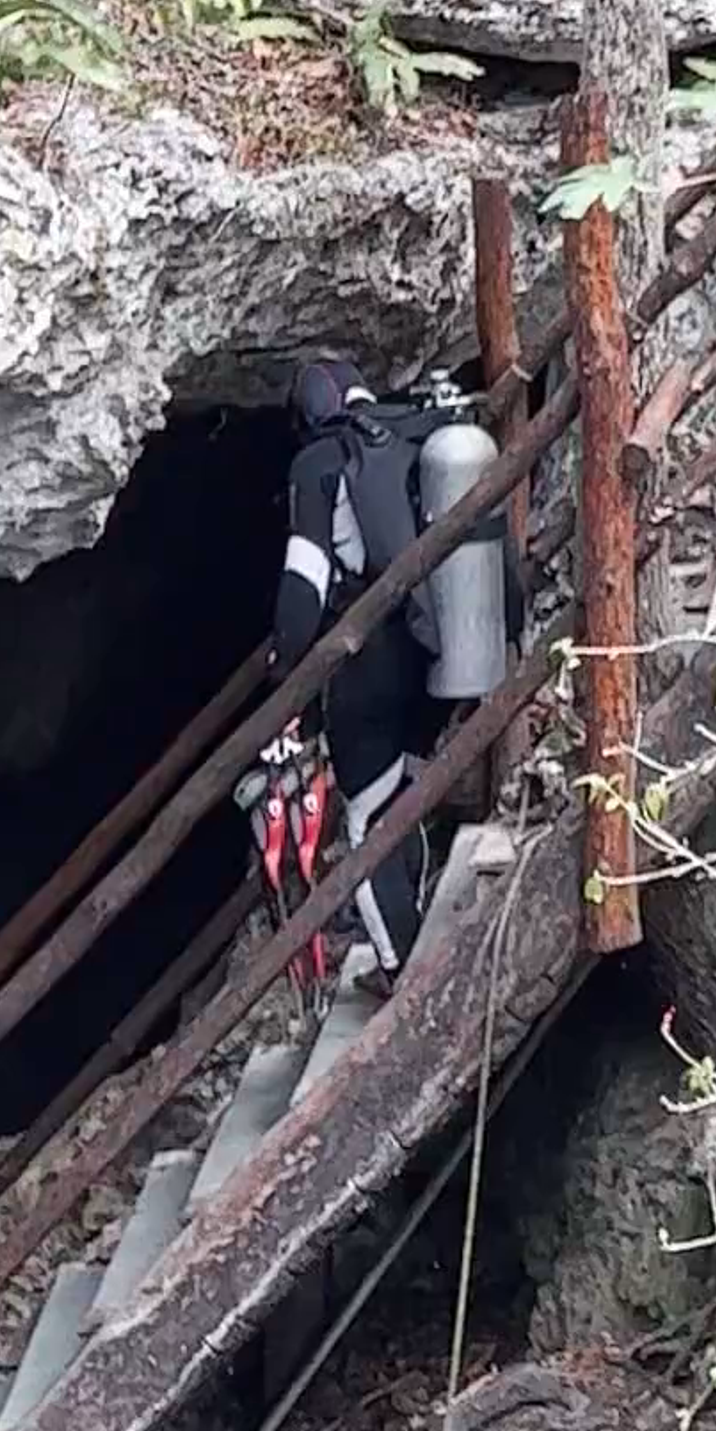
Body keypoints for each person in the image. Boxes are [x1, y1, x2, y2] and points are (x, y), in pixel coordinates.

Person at [270, 352, 440, 983]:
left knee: (366, 816)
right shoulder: (414, 429)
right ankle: (413, 926)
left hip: (366, 655)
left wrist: (283, 667)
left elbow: (305, 580)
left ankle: (398, 967)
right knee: (399, 791)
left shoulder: (318, 464)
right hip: (428, 641)